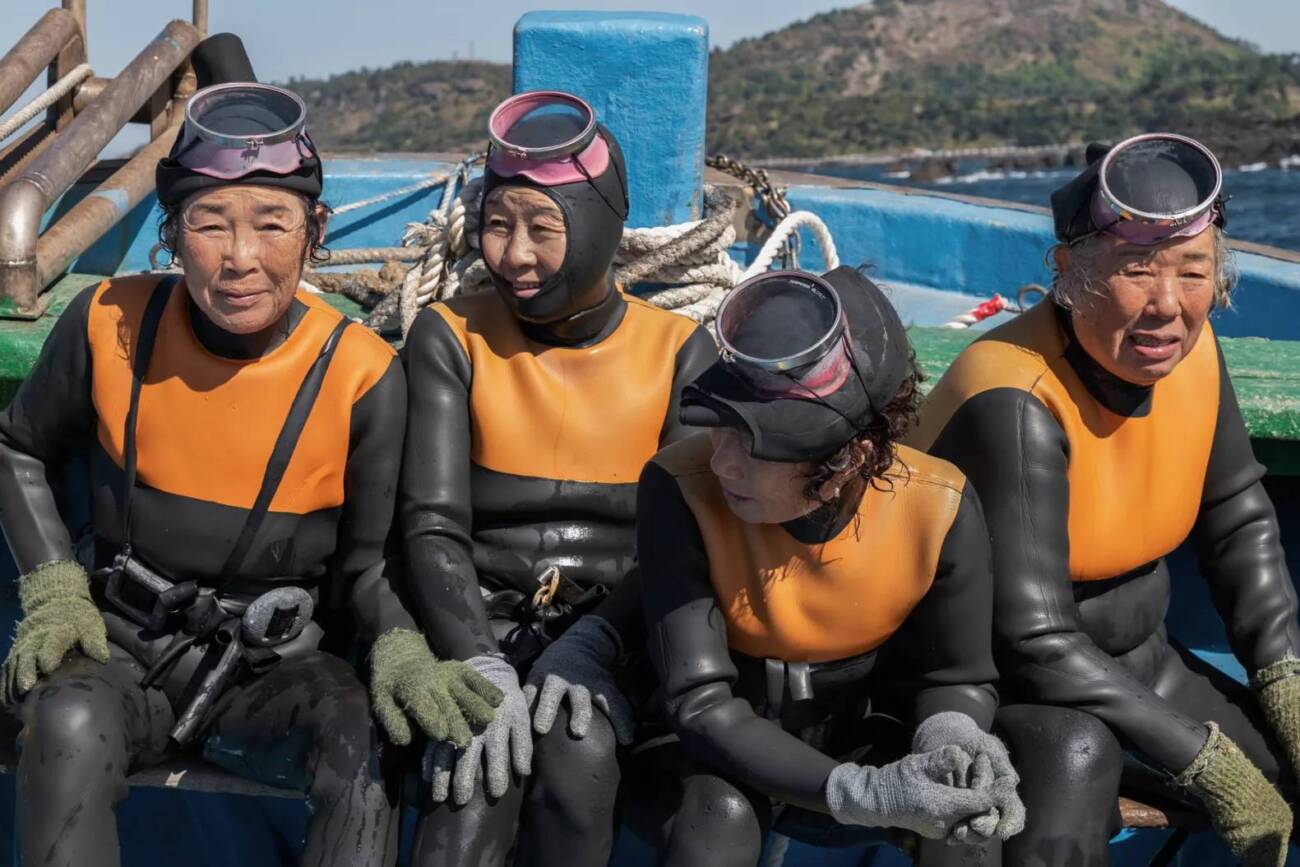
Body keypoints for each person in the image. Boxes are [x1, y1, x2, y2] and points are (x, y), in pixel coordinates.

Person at [0, 35, 498, 867]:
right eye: (209, 223)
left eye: (272, 223)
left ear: (313, 233)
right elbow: (16, 447)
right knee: (64, 721)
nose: (240, 258)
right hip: (117, 648)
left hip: (275, 671)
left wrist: (403, 647)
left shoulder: (362, 374)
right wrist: (53, 587)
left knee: (364, 739)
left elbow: (368, 568)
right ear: (171, 232)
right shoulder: (109, 323)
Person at [910, 133, 1300, 866]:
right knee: (1077, 759)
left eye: (1193, 271)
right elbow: (1032, 639)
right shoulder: (1015, 397)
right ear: (1072, 273)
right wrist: (1204, 762)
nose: (1166, 306)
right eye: (1134, 269)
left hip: (1145, 666)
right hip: (1001, 687)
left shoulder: (1194, 351)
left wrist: (1286, 679)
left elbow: (1238, 521)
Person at [400, 90, 718, 866]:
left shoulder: (680, 353)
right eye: (498, 225)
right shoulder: (452, 337)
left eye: (542, 228)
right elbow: (430, 526)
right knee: (470, 776)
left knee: (579, 752)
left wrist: (593, 643)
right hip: (482, 622)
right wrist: (478, 661)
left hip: (618, 635)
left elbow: (680, 545)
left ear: (601, 223)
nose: (515, 255)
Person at [635, 267, 1024, 866]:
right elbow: (701, 704)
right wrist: (861, 794)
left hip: (856, 727)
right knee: (718, 814)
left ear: (852, 458)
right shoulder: (676, 487)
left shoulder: (939, 503)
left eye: (756, 445)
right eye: (720, 428)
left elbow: (956, 677)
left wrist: (955, 735)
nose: (723, 464)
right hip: (709, 753)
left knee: (964, 815)